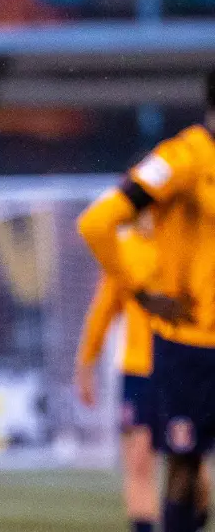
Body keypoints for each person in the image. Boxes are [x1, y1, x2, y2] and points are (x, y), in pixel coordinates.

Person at [77, 72, 215, 532]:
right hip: (186, 348)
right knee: (177, 468)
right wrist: (140, 292)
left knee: (191, 475)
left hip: (189, 350)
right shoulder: (182, 159)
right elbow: (98, 223)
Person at [75, 228, 169, 532]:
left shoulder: (190, 240)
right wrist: (86, 363)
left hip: (184, 367)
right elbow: (103, 309)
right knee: (138, 461)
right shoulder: (124, 250)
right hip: (138, 370)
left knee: (190, 466)